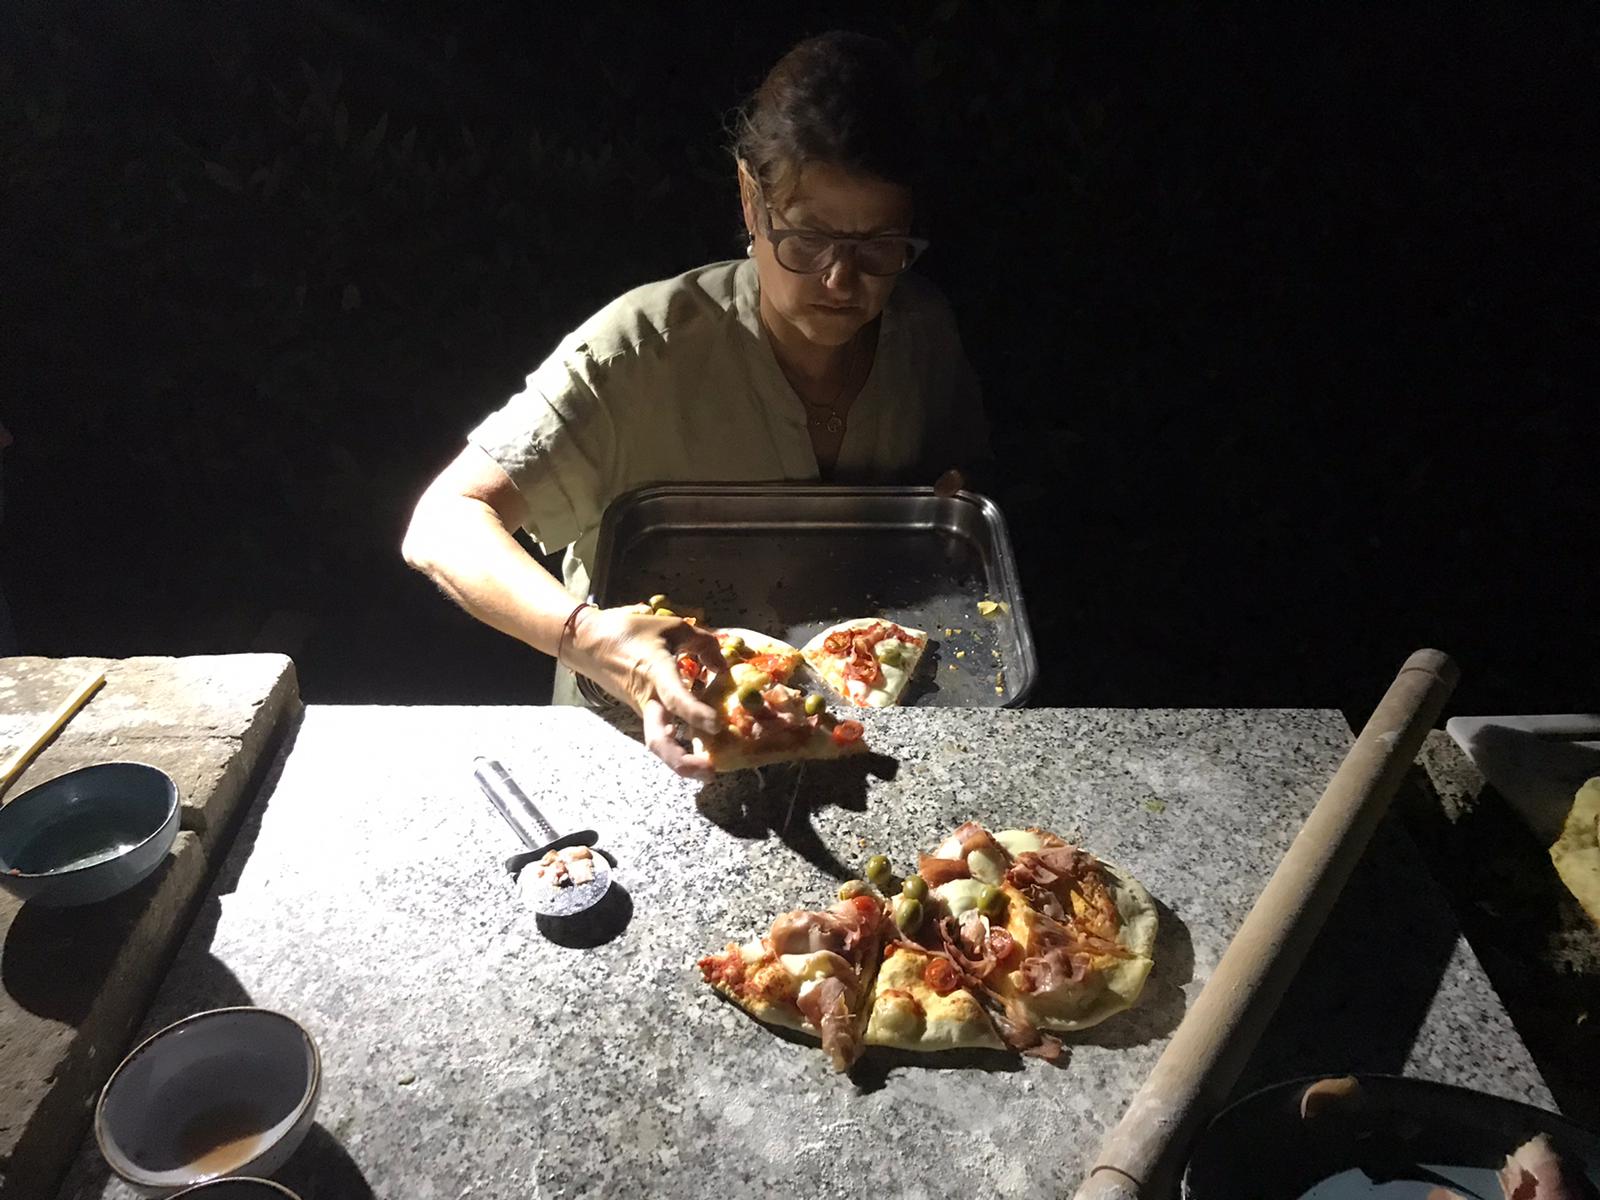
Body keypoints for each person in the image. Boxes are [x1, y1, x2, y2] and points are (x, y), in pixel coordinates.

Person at [402, 31, 989, 780]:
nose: (842, 281)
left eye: (879, 246)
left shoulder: (921, 331)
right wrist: (589, 638)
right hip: (633, 752)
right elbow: (443, 521)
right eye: (807, 239)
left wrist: (949, 505)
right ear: (751, 199)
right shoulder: (636, 353)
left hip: (853, 735)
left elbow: (959, 481)